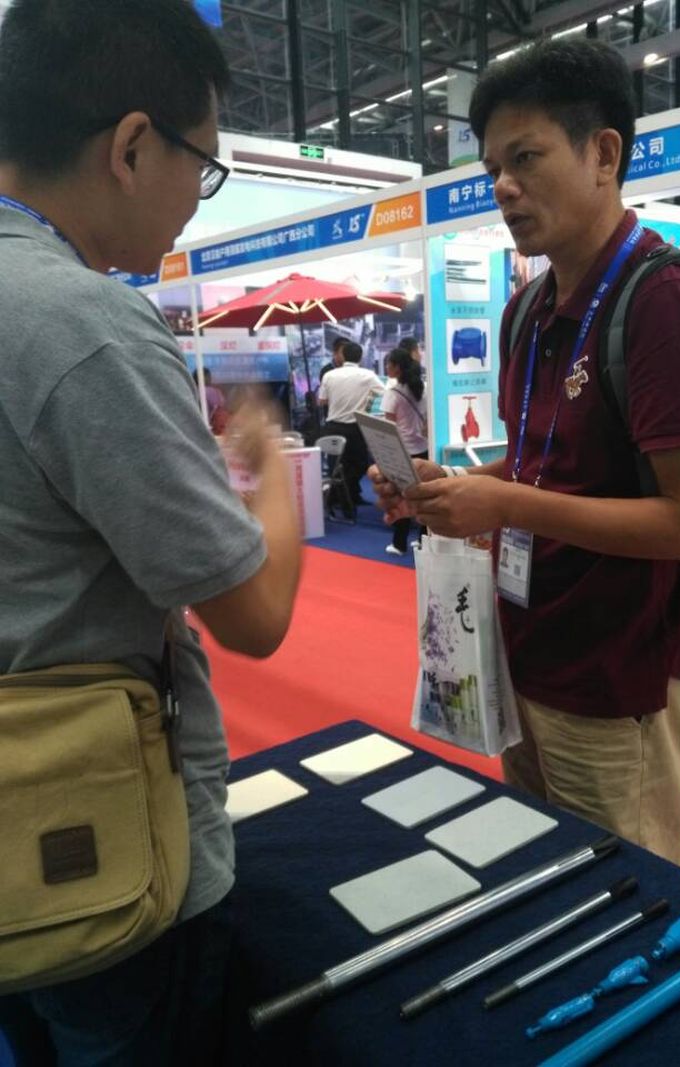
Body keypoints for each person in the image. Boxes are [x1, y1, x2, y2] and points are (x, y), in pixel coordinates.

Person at [0, 1, 302, 1063]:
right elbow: (253, 613)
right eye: (202, 166)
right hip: (100, 855)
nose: (194, 199)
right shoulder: (82, 322)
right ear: (132, 145)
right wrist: (272, 473)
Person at [371, 37, 680, 866]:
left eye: (526, 157)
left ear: (603, 154)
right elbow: (543, 465)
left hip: (618, 676)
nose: (503, 186)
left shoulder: (670, 302)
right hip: (525, 653)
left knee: (621, 897)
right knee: (540, 870)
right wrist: (450, 486)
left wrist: (504, 503)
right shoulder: (528, 309)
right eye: (492, 168)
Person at [318, 340, 384, 514]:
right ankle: (344, 499)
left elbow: (322, 401)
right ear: (360, 357)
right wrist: (366, 401)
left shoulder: (329, 375)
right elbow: (384, 392)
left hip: (333, 427)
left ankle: (340, 498)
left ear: (343, 355)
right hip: (355, 429)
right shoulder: (368, 375)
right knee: (361, 465)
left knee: (336, 468)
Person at [382, 347, 428, 555]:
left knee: (402, 498)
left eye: (389, 364)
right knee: (424, 497)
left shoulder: (393, 394)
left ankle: (399, 544)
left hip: (404, 451)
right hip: (424, 450)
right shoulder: (422, 389)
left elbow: (389, 429)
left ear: (397, 368)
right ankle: (423, 540)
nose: (386, 367)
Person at [193, 366, 228, 434]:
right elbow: (219, 409)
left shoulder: (191, 391)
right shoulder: (211, 392)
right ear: (204, 377)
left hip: (195, 428)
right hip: (209, 429)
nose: (211, 379)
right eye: (209, 376)